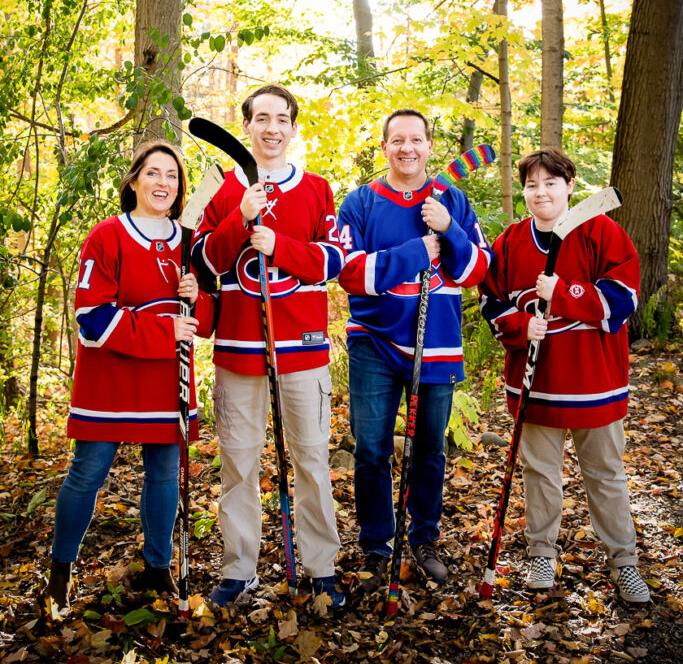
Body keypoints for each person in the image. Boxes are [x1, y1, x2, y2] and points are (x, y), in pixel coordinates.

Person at [43, 141, 216, 612]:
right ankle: (60, 572)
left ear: (180, 188)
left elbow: (207, 319)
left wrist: (195, 295)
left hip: (165, 380)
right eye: (154, 173)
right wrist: (164, 329)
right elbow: (91, 318)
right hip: (110, 381)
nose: (164, 183)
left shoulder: (187, 242)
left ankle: (157, 570)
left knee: (163, 474)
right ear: (135, 179)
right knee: (87, 474)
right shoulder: (107, 235)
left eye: (173, 176)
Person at [192, 84, 345, 608]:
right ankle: (239, 570)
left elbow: (333, 263)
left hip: (302, 349)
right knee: (238, 463)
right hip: (239, 351)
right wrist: (239, 220)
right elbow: (203, 265)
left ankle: (321, 566)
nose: (272, 128)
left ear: (293, 126)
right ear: (248, 125)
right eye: (261, 118)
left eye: (282, 119)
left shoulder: (319, 189)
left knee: (311, 460)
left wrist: (280, 246)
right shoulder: (218, 188)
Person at [479, 147, 649, 604]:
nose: (541, 193)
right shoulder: (511, 242)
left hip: (595, 382)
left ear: (569, 186)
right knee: (540, 473)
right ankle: (541, 553)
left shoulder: (601, 230)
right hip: (537, 385)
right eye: (532, 185)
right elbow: (490, 302)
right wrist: (518, 325)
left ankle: (624, 561)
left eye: (551, 183)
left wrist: (567, 293)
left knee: (606, 474)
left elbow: (626, 295)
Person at [336, 109, 492, 592]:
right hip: (374, 343)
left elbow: (476, 272)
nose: (407, 148)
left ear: (429, 146)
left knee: (428, 450)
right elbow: (349, 273)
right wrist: (412, 255)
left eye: (417, 139)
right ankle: (376, 545)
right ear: (385, 146)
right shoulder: (360, 203)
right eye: (397, 139)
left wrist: (449, 230)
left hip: (437, 344)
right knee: (370, 449)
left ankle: (423, 538)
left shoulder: (453, 201)